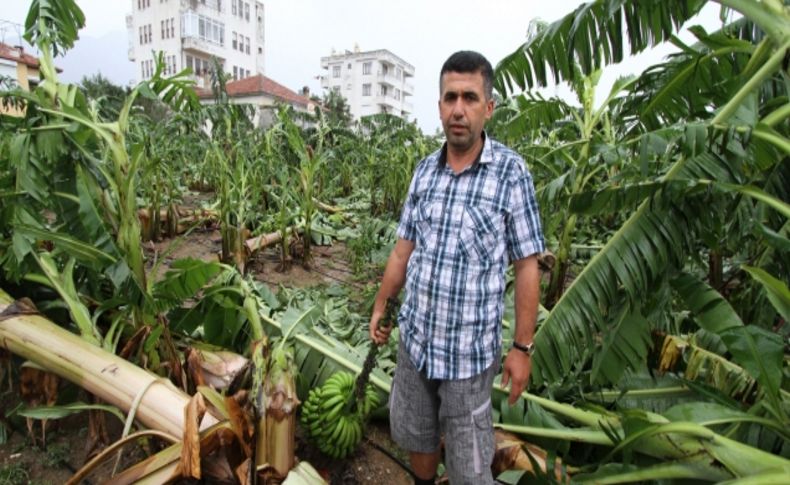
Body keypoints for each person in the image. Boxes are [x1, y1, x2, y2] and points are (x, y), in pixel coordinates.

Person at [369, 50, 545, 484]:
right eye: (450, 98)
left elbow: (527, 266)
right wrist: (381, 305)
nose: (458, 109)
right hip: (416, 342)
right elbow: (402, 251)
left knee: (469, 463)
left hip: (467, 356)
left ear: (489, 107)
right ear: (440, 105)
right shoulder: (425, 173)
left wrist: (522, 350)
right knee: (417, 434)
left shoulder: (510, 174)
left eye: (469, 97)